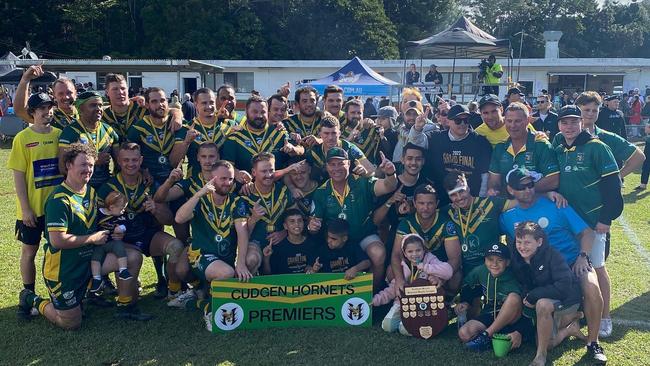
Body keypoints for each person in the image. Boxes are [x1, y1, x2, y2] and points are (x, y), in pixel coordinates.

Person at [18, 143, 149, 329]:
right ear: (69, 165)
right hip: (65, 270)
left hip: (90, 261)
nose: (88, 170)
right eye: (83, 165)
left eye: (91, 165)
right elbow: (58, 240)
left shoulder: (91, 192)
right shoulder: (59, 200)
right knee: (71, 323)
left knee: (133, 256)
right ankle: (31, 298)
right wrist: (93, 238)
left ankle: (125, 306)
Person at [499, 168, 608, 364]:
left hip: (573, 262)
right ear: (510, 190)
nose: (527, 190)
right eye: (521, 187)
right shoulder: (508, 217)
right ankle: (558, 335)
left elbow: (587, 233)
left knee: (592, 286)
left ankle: (594, 342)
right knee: (543, 316)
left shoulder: (556, 203)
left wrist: (583, 256)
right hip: (540, 274)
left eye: (531, 185)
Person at [553, 104, 625, 340]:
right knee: (575, 269)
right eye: (564, 122)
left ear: (582, 122)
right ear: (559, 125)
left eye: (574, 121)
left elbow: (614, 187)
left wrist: (605, 219)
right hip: (568, 222)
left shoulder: (597, 147)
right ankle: (581, 313)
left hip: (593, 223)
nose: (569, 126)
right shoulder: (558, 146)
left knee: (597, 268)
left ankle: (605, 316)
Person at [97, 143, 186, 305]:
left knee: (176, 246)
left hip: (147, 235)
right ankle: (124, 300)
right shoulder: (108, 188)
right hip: (122, 242)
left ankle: (174, 291)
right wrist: (113, 230)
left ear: (141, 160)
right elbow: (98, 221)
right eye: (126, 160)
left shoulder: (150, 183)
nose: (131, 164)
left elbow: (168, 219)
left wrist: (156, 209)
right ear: (118, 161)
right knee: (131, 298)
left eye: (134, 160)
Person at [174, 160, 252, 331]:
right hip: (200, 255)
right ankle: (209, 310)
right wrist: (198, 195)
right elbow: (179, 218)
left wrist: (241, 262)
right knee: (226, 273)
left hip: (224, 258)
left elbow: (242, 232)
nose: (228, 183)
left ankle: (198, 300)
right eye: (223, 178)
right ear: (212, 178)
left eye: (231, 179)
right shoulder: (200, 200)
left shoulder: (237, 202)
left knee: (228, 271)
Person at [309, 147, 398, 291]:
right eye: (332, 164)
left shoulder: (362, 182)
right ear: (326, 166)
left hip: (363, 235)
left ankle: (372, 295)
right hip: (338, 242)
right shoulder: (321, 192)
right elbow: (313, 225)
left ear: (349, 164)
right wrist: (312, 226)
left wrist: (390, 173)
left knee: (378, 253)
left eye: (340, 163)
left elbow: (388, 186)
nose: (336, 168)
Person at [8, 93, 63, 313]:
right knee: (29, 252)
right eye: (41, 108)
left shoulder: (60, 135)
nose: (46, 112)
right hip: (32, 209)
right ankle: (28, 294)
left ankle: (56, 293)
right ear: (32, 112)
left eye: (49, 108)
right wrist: (26, 208)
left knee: (56, 253)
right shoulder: (22, 137)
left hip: (56, 209)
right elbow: (19, 176)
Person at [511, 222, 585, 366]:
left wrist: (534, 294)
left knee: (542, 304)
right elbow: (523, 282)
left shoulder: (553, 255)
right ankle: (570, 329)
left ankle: (540, 356)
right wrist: (527, 294)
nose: (522, 246)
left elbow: (564, 286)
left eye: (527, 242)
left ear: (539, 242)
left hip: (568, 297)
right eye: (519, 242)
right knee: (547, 342)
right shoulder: (517, 256)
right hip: (544, 299)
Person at [409, 104, 492, 203]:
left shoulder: (480, 142)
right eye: (458, 120)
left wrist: (480, 200)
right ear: (448, 121)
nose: (462, 124)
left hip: (471, 199)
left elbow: (485, 175)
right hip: (442, 198)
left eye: (466, 120)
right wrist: (417, 128)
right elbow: (416, 141)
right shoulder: (436, 138)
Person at [373, 233, 452, 335]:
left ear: (424, 249)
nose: (415, 254)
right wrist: (375, 301)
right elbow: (393, 288)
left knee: (405, 329)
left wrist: (425, 267)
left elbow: (448, 271)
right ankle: (403, 317)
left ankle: (415, 321)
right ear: (405, 253)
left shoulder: (430, 259)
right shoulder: (403, 266)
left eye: (418, 250)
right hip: (402, 303)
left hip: (424, 303)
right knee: (387, 326)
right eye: (410, 251)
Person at [392, 184, 462, 295]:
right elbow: (396, 254)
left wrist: (441, 279)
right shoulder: (406, 223)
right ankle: (402, 301)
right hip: (413, 265)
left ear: (437, 204)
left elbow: (455, 258)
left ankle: (446, 302)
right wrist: (400, 280)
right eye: (421, 203)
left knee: (456, 277)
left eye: (430, 203)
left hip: (436, 265)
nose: (425, 208)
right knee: (391, 272)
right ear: (414, 203)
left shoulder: (445, 222)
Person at [456, 243, 528, 352]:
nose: (494, 264)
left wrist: (520, 330)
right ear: (485, 260)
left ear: (507, 262)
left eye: (499, 260)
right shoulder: (481, 271)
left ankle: (486, 336)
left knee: (513, 297)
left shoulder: (516, 275)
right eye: (490, 259)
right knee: (464, 334)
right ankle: (497, 337)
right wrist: (466, 302)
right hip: (490, 313)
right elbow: (468, 284)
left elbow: (527, 306)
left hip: (512, 318)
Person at [443, 172, 512, 274]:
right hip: (466, 270)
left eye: (461, 191)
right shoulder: (447, 212)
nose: (459, 197)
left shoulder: (490, 203)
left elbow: (520, 203)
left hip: (492, 267)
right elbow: (426, 212)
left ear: (468, 188)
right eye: (453, 195)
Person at [236, 152, 294, 273]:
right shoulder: (246, 196)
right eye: (263, 171)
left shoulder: (283, 191)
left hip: (281, 239)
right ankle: (249, 290)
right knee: (251, 260)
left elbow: (295, 218)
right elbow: (242, 234)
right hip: (255, 241)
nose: (268, 175)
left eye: (271, 170)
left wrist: (285, 232)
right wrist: (254, 218)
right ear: (253, 172)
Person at [488, 102, 559, 196]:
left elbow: (553, 180)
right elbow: (494, 181)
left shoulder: (542, 145)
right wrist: (493, 190)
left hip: (534, 206)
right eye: (509, 121)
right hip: (506, 207)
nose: (513, 125)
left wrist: (522, 190)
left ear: (528, 121)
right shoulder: (500, 147)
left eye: (517, 121)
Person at [373, 144, 432, 247]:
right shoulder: (390, 185)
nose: (413, 163)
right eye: (409, 158)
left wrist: (412, 210)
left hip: (422, 233)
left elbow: (433, 216)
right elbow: (376, 220)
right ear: (402, 160)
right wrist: (390, 200)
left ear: (423, 161)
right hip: (395, 234)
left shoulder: (427, 186)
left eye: (418, 159)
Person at [58, 91, 120, 189]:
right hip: (80, 189)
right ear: (81, 109)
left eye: (100, 105)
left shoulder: (109, 130)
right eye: (93, 105)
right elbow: (62, 168)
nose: (98, 109)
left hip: (105, 188)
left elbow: (119, 165)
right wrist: (94, 161)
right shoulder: (70, 132)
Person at [171, 88, 235, 178]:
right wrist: (186, 143)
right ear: (195, 105)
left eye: (211, 102)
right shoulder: (186, 129)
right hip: (196, 184)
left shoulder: (229, 125)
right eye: (204, 103)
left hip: (223, 184)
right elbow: (173, 162)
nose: (209, 107)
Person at [222, 95, 293, 174]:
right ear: (246, 112)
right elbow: (227, 166)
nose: (259, 116)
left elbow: (300, 149)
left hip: (275, 185)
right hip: (245, 185)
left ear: (268, 112)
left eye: (263, 112)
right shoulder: (234, 137)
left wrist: (293, 149)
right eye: (255, 112)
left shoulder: (279, 132)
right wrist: (237, 174)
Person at [303, 114, 373, 181]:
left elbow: (372, 171)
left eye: (334, 133)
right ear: (320, 133)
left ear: (339, 133)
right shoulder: (314, 152)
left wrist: (365, 173)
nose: (330, 137)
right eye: (326, 133)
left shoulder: (349, 148)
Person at [89, 192, 132, 293]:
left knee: (119, 247)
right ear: (112, 207)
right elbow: (91, 226)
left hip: (112, 242)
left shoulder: (119, 215)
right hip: (99, 243)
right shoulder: (98, 214)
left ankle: (123, 270)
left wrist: (122, 228)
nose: (123, 211)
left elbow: (126, 223)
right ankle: (96, 279)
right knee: (95, 258)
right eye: (122, 208)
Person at [14, 66, 79, 130]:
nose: (66, 97)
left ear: (75, 93)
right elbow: (20, 110)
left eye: (69, 92)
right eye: (61, 94)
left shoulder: (84, 112)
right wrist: (25, 80)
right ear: (54, 95)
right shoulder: (49, 115)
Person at [262, 208, 319, 275]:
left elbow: (310, 268)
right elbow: (268, 274)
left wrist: (312, 270)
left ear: (303, 223)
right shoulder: (278, 247)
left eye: (300, 221)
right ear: (285, 226)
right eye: (292, 221)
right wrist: (266, 258)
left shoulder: (311, 244)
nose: (297, 224)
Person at [100, 73, 148, 139]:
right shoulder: (102, 116)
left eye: (123, 88)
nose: (120, 92)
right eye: (115, 89)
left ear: (127, 90)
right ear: (107, 92)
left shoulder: (143, 108)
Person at [394, 95, 438, 162]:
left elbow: (416, 139)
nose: (412, 117)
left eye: (415, 114)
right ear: (403, 115)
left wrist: (417, 129)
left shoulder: (430, 133)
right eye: (408, 114)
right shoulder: (402, 131)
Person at [341, 99, 381, 164]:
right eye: (353, 113)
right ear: (346, 115)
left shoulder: (372, 129)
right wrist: (348, 140)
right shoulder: (341, 134)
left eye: (359, 113)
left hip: (371, 172)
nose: (356, 116)